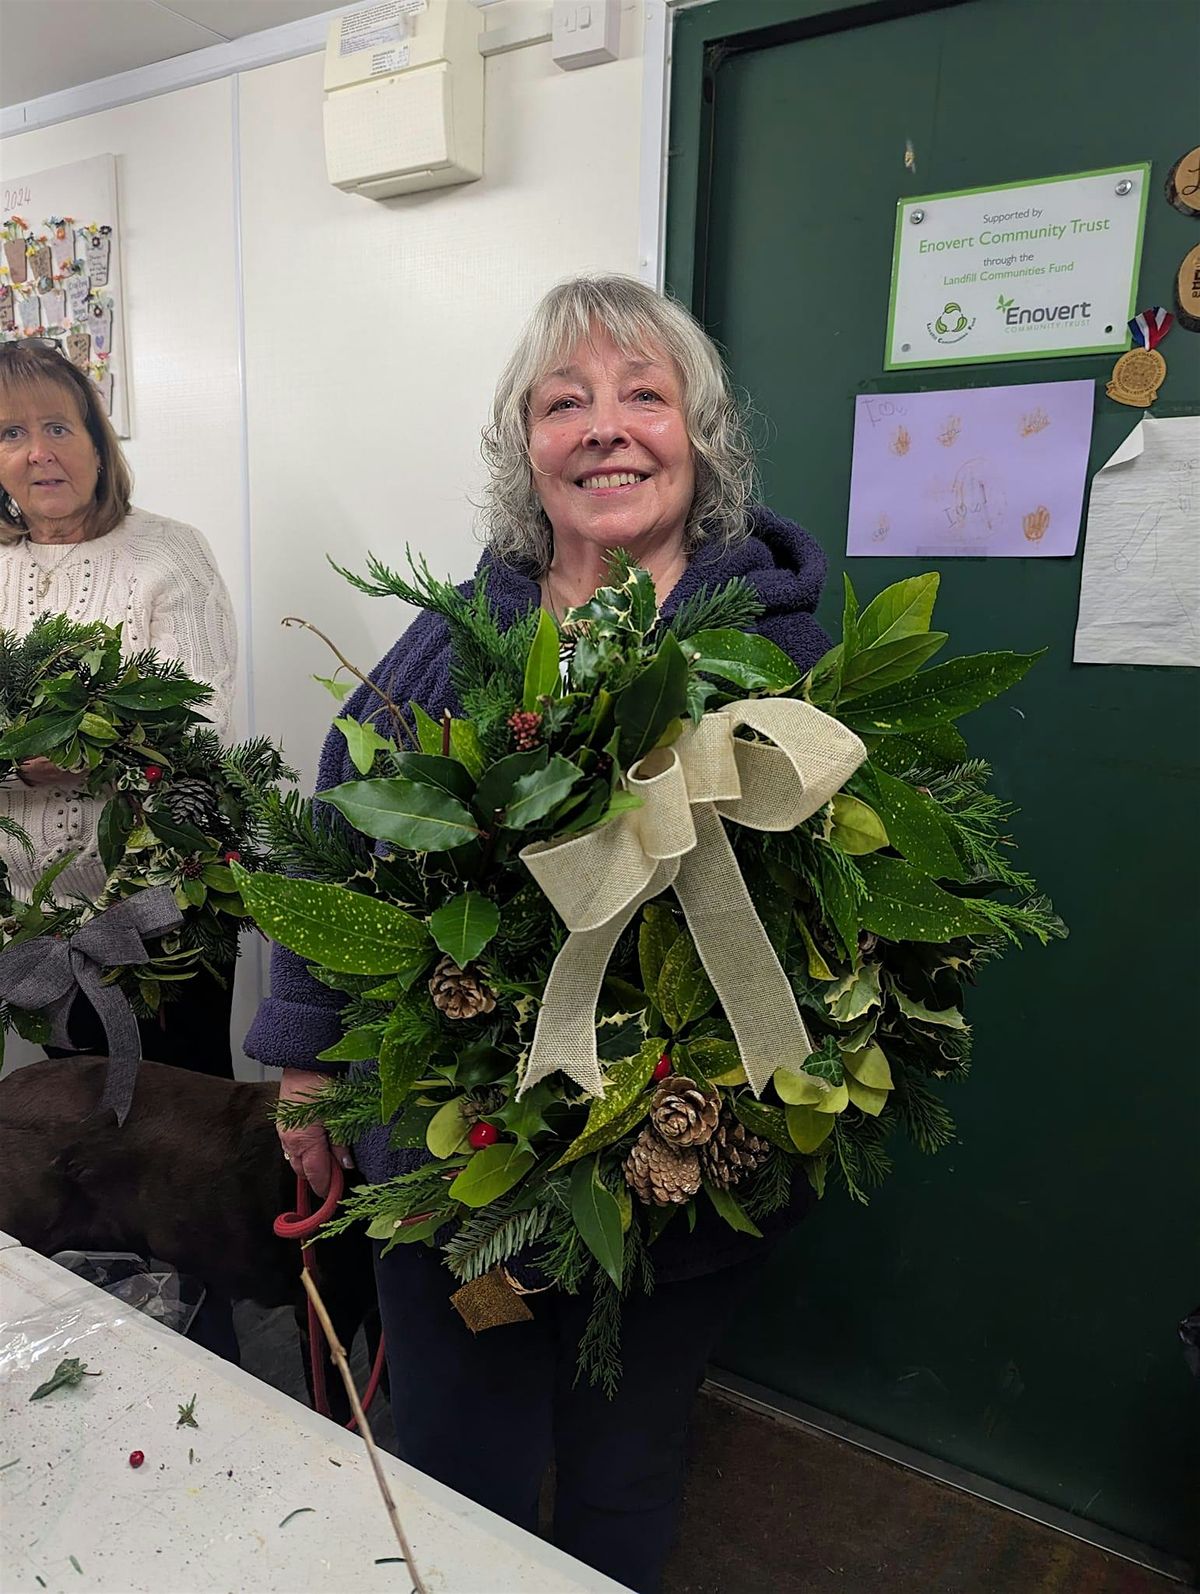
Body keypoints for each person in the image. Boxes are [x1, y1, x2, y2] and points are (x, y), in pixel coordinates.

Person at [245, 275, 833, 1593]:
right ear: (526, 448)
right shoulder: (454, 642)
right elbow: (338, 848)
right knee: (459, 1449)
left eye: (644, 394)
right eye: (564, 401)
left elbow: (832, 909)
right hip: (457, 1176)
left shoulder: (776, 646)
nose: (606, 426)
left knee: (628, 1455)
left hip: (683, 1162)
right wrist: (302, 1064)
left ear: (705, 434)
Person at [0, 339, 239, 1078]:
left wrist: (73, 748)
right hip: (27, 924)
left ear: (99, 446)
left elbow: (202, 720)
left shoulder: (170, 553)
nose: (39, 452)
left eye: (58, 427)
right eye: (10, 432)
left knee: (182, 1123)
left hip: (163, 917)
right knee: (72, 1120)